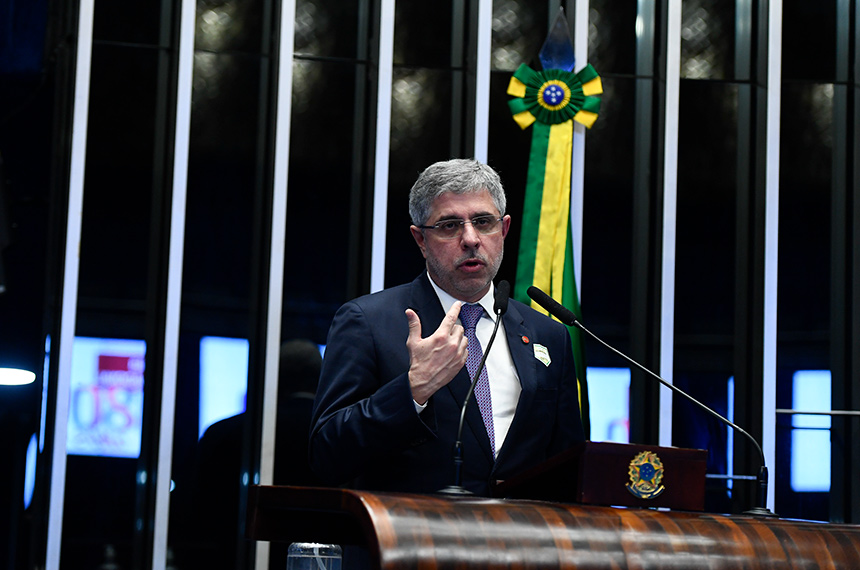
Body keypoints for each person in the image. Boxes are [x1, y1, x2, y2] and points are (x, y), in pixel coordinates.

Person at [309, 158, 585, 496]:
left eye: (483, 222)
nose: (470, 239)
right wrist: (413, 389)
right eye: (449, 225)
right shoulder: (368, 322)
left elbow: (568, 465)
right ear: (420, 240)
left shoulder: (549, 335)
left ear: (503, 230)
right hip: (412, 528)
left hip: (521, 529)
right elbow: (327, 455)